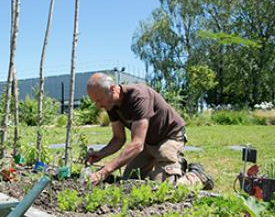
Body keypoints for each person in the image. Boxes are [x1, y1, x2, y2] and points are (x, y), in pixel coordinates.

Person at [85, 72, 213, 190]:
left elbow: (137, 144)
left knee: (165, 189)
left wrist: (105, 171)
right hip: (148, 142)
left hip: (169, 137)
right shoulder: (110, 104)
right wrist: (100, 154)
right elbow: (119, 139)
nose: (98, 105)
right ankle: (170, 169)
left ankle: (197, 176)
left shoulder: (138, 97)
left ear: (113, 89)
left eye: (98, 100)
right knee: (129, 181)